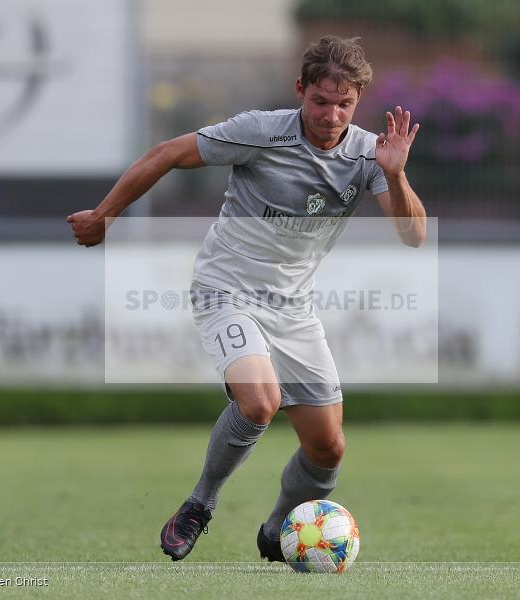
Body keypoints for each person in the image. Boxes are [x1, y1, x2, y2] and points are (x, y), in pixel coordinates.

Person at [67, 35, 426, 562]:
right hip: (225, 288)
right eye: (320, 101)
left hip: (293, 309)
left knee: (328, 449)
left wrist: (395, 175)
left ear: (358, 101)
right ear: (300, 90)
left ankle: (277, 530)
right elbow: (166, 153)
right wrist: (105, 216)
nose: (331, 115)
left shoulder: (370, 155)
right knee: (260, 401)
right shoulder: (261, 131)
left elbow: (413, 235)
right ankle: (199, 505)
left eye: (344, 104)